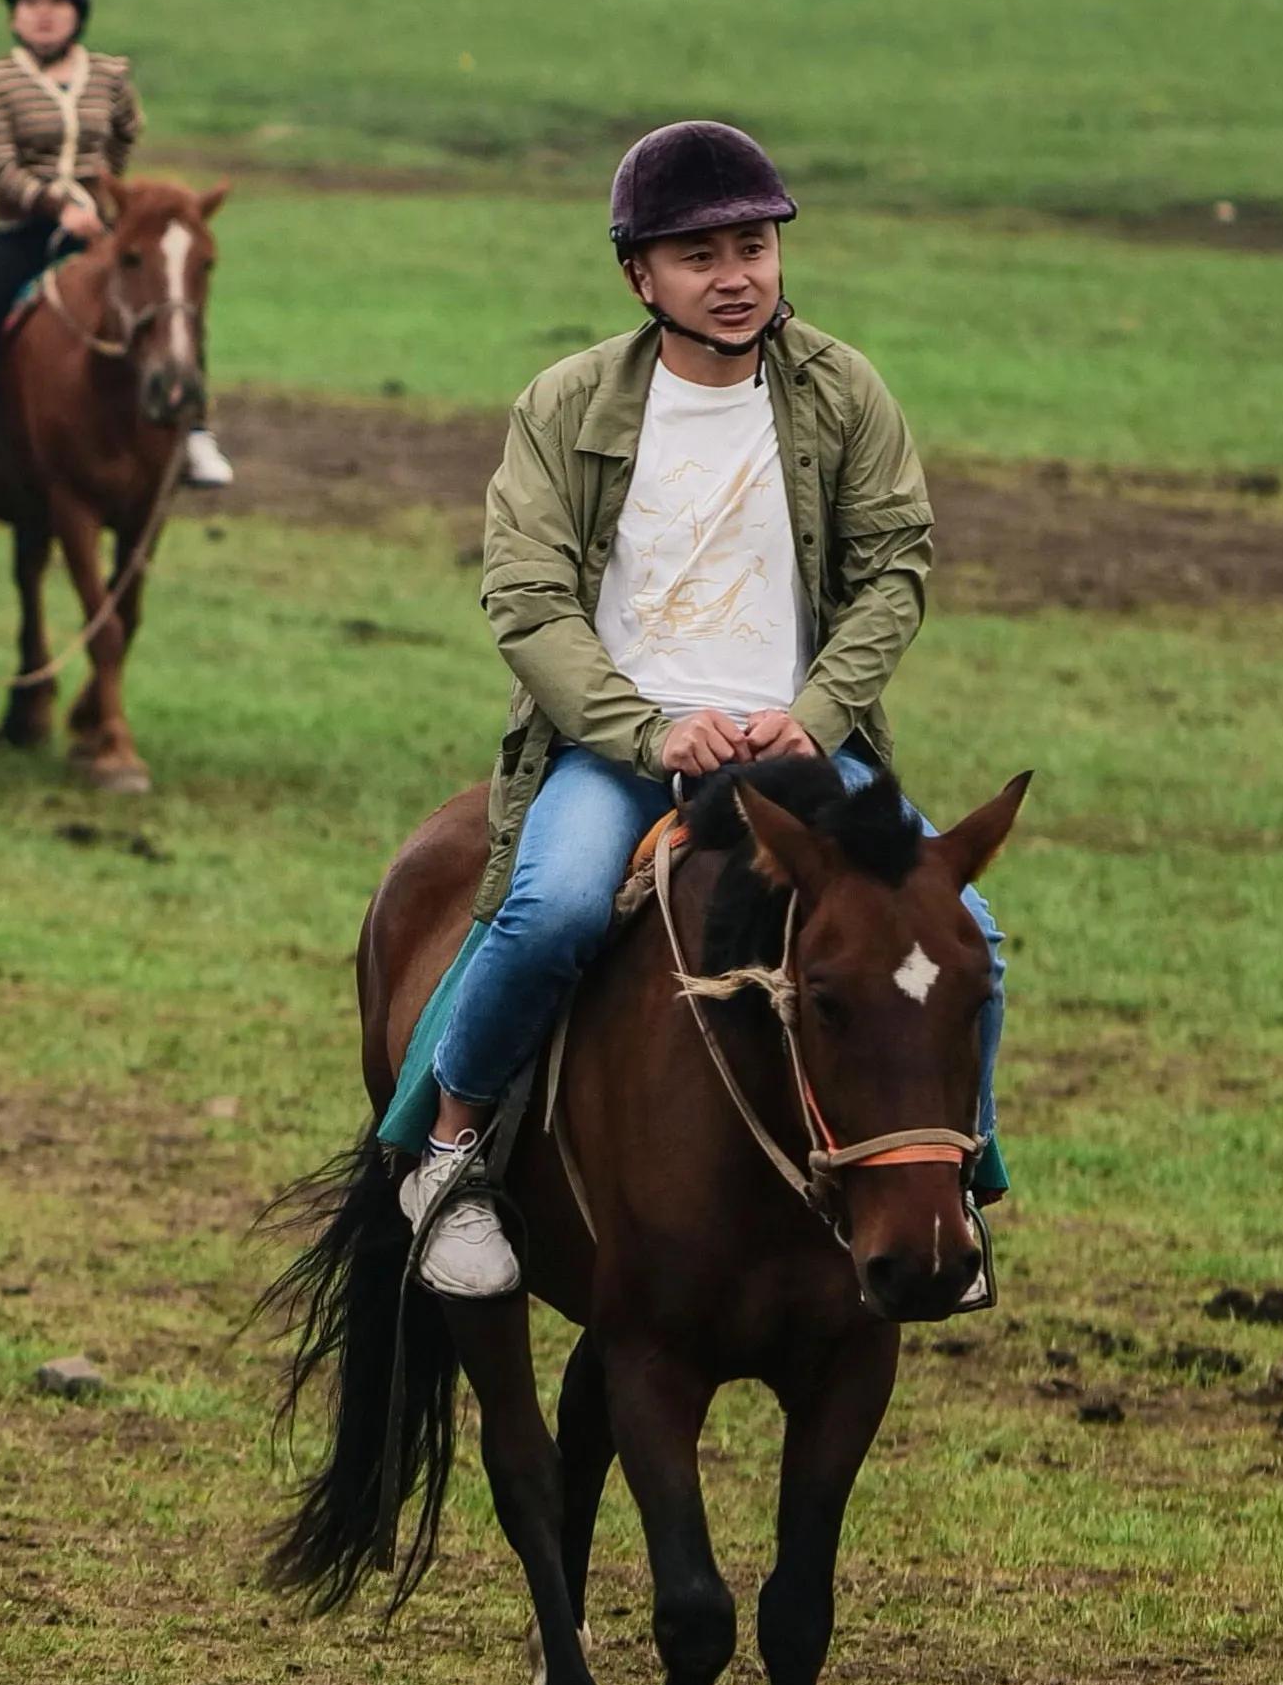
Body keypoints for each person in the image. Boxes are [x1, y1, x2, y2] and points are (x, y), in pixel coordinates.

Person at [381, 120, 999, 1300]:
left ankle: (953, 1181)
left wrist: (816, 712)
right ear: (640, 275)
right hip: (624, 748)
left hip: (800, 754)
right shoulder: (564, 405)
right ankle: (450, 1157)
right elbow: (525, 593)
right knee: (553, 907)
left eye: (754, 246)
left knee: (973, 938)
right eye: (699, 253)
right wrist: (646, 726)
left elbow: (895, 569)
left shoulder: (843, 389)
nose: (735, 276)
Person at [0, 0, 239, 500]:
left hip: (99, 229)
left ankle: (195, 429)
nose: (44, 15)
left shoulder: (109, 76)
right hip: (24, 230)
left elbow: (126, 131)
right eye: (31, 4)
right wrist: (54, 204)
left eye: (57, 5)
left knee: (168, 300)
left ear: (77, 14)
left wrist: (105, 189)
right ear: (15, 16)